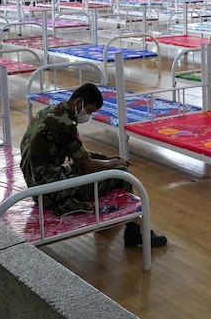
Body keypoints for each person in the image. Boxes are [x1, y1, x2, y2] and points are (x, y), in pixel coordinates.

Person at [20, 83, 167, 247]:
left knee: (111, 168)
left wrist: (106, 159)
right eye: (89, 111)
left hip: (36, 183)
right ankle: (135, 233)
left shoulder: (49, 112)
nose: (88, 115)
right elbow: (87, 166)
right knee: (122, 174)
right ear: (78, 103)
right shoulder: (63, 124)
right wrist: (114, 163)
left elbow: (79, 153)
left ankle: (120, 224)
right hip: (49, 191)